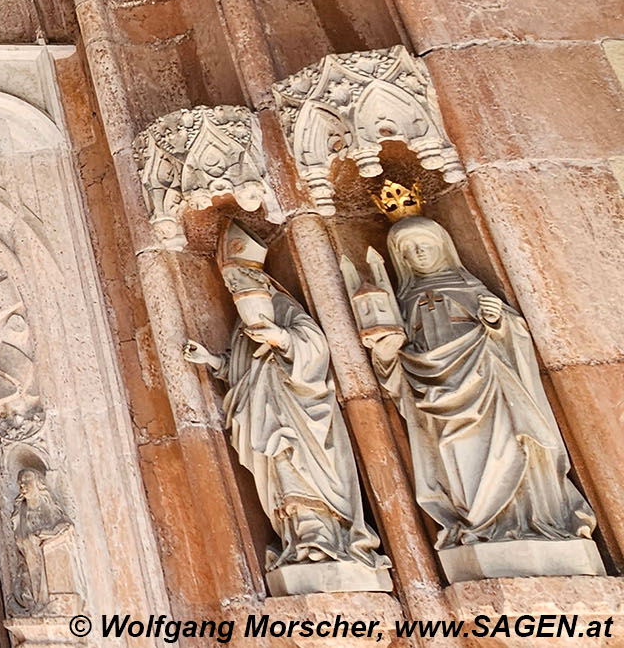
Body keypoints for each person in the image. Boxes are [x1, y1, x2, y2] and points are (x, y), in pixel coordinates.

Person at [367, 215, 594, 547]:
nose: (419, 253)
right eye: (410, 250)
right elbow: (396, 369)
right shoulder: (401, 303)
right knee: (460, 465)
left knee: (509, 449)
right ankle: (481, 524)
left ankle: (526, 519)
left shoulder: (471, 288)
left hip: (488, 387)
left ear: (442, 247)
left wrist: (497, 322)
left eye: (425, 245)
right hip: (434, 393)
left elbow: (514, 338)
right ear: (401, 258)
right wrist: (386, 353)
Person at [184, 225, 385, 573]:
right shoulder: (242, 327)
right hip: (266, 419)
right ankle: (300, 540)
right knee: (282, 480)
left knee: (303, 471)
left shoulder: (285, 312)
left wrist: (281, 338)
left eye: (239, 280)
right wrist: (213, 361)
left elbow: (315, 346)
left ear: (260, 281)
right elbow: (241, 371)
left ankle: (327, 539)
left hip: (300, 419)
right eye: (230, 285)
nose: (234, 289)